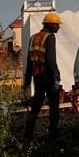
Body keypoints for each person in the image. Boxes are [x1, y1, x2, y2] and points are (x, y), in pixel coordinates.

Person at [24, 12, 62, 143]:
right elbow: (51, 60)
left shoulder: (33, 38)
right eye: (57, 25)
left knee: (35, 108)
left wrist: (27, 81)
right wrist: (56, 77)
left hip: (37, 77)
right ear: (50, 25)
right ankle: (53, 135)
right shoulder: (50, 37)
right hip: (48, 77)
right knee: (54, 107)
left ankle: (27, 136)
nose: (58, 27)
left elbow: (29, 61)